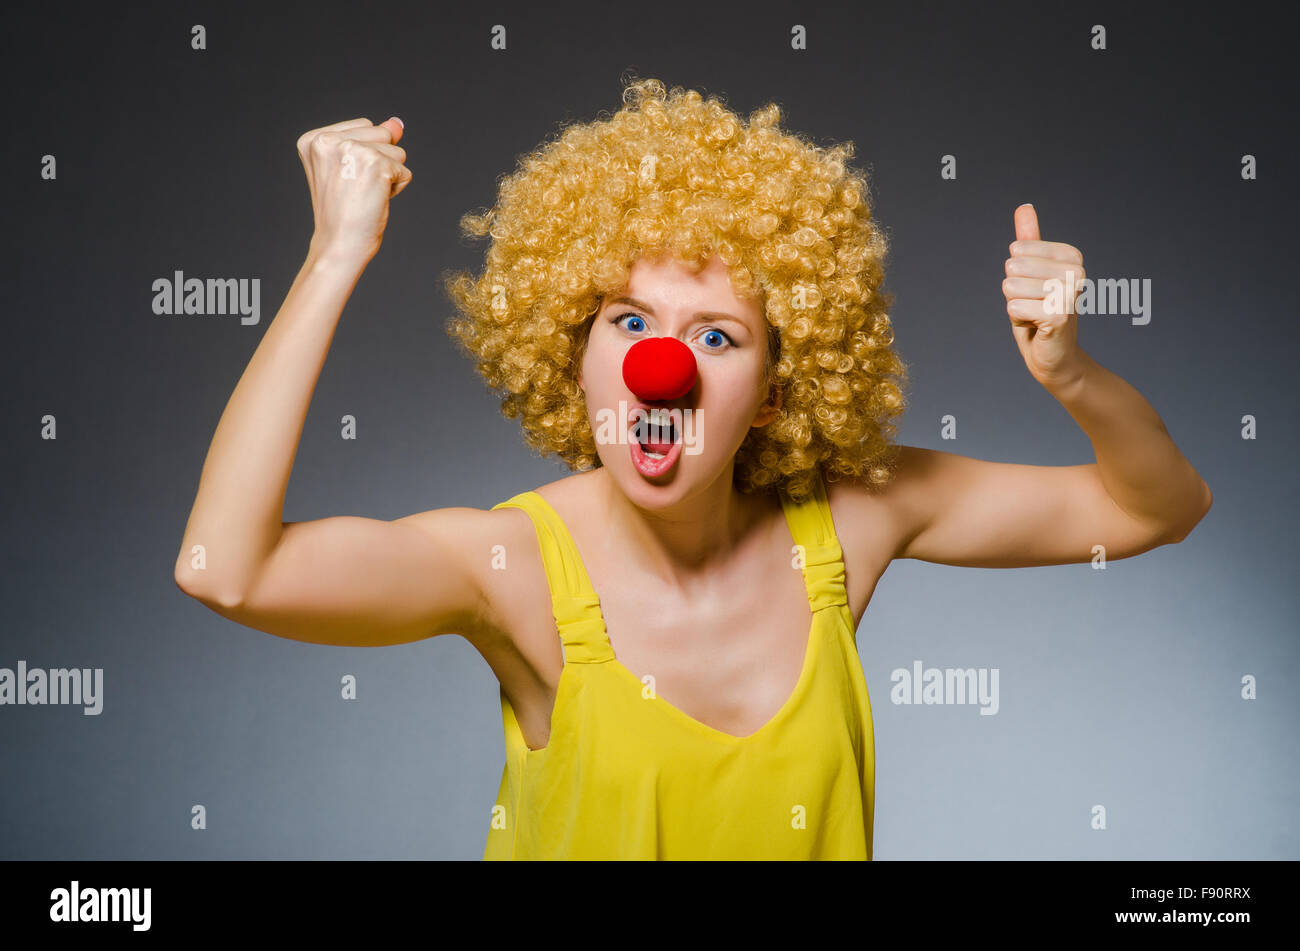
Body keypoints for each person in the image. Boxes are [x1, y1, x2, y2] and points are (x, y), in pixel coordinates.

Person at [174, 78, 1212, 860]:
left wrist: (1069, 373)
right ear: (573, 354)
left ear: (773, 391)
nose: (660, 364)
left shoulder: (845, 522)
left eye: (715, 337)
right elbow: (227, 568)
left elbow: (1153, 508)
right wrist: (333, 258)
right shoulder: (510, 565)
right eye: (627, 322)